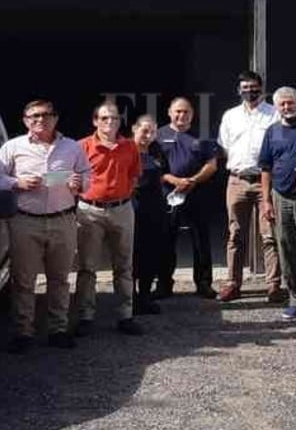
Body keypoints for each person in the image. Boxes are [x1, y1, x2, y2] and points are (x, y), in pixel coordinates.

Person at [0, 99, 92, 354]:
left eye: (46, 115)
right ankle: (23, 332)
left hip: (63, 219)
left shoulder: (72, 147)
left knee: (59, 279)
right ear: (25, 120)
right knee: (23, 281)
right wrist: (17, 183)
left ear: (55, 118)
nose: (40, 120)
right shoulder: (12, 147)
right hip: (25, 220)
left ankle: (58, 329)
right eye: (34, 116)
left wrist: (78, 184)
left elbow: (87, 177)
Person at [74, 101, 143, 336]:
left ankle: (125, 315)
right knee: (87, 267)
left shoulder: (130, 147)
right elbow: (67, 176)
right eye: (104, 118)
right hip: (89, 212)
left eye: (114, 118)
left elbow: (134, 176)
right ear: (95, 121)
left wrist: (120, 197)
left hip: (122, 209)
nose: (110, 122)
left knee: (124, 265)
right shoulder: (82, 146)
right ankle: (85, 316)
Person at [216, 70, 279, 302]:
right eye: (245, 87)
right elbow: (224, 146)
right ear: (238, 90)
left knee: (269, 235)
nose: (249, 91)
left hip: (265, 182)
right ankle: (233, 284)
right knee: (235, 234)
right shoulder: (230, 116)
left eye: (253, 87)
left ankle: (273, 285)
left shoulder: (274, 115)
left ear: (261, 89)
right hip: (237, 181)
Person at [156, 97, 219, 299]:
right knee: (166, 240)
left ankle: (203, 283)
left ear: (192, 114)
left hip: (197, 194)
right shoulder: (158, 136)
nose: (181, 115)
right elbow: (157, 169)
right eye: (178, 111)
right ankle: (164, 284)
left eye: (186, 112)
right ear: (169, 112)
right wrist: (175, 181)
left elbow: (212, 165)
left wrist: (192, 180)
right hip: (169, 195)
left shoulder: (203, 136)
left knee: (200, 239)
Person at [258, 87, 296, 319]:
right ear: (277, 107)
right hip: (283, 199)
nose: (287, 108)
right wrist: (266, 201)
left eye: (291, 103)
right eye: (282, 104)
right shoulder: (272, 132)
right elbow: (266, 168)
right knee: (288, 250)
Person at [131, 114, 169, 315]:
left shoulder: (157, 151)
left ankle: (145, 296)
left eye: (152, 132)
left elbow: (164, 174)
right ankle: (131, 299)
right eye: (144, 130)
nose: (148, 135)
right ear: (134, 129)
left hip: (155, 209)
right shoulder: (126, 151)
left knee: (151, 253)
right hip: (133, 208)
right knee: (132, 255)